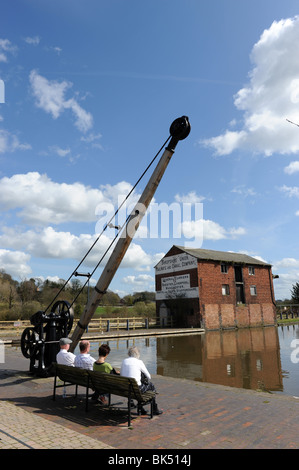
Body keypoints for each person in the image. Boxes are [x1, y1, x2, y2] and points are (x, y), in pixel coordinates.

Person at [120, 346, 163, 415]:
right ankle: (154, 408)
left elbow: (121, 375)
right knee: (151, 386)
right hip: (137, 389)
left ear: (129, 353)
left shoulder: (124, 361)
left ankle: (135, 405)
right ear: (138, 354)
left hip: (125, 389)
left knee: (135, 385)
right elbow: (149, 377)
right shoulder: (139, 362)